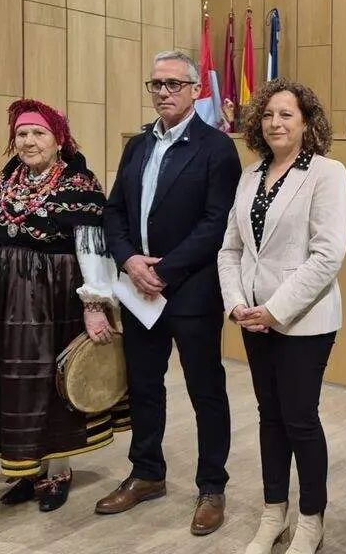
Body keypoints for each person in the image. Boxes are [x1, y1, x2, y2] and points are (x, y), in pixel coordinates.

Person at [0, 99, 122, 512]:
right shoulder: (7, 179)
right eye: (21, 134)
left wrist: (94, 303)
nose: (28, 141)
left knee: (48, 382)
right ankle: (25, 468)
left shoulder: (78, 182)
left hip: (53, 295)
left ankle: (57, 471)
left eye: (38, 133)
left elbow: (91, 245)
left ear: (59, 140)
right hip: (2, 296)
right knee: (10, 378)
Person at [97, 50, 242, 536]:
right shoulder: (137, 145)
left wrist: (166, 269)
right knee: (143, 385)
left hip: (191, 291)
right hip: (139, 290)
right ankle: (146, 473)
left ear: (196, 89)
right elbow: (114, 211)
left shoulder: (216, 149)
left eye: (174, 85)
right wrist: (129, 261)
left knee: (206, 391)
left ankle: (211, 486)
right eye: (156, 84)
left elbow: (216, 222)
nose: (163, 92)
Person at [217, 79, 346, 554]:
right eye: (269, 115)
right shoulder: (249, 175)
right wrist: (236, 302)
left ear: (306, 122)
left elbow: (327, 255)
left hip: (302, 321)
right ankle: (274, 512)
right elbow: (230, 249)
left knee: (299, 419)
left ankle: (311, 519)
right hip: (252, 317)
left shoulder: (327, 173)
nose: (276, 122)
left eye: (286, 115)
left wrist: (274, 311)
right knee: (269, 417)